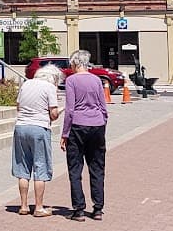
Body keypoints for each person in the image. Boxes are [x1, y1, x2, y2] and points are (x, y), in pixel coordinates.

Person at [61, 49, 107, 221]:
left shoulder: (71, 80)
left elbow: (70, 109)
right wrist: (103, 125)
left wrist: (65, 133)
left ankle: (79, 209)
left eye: (71, 64)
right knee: (97, 167)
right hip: (97, 125)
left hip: (78, 126)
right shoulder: (96, 80)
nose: (70, 67)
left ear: (75, 63)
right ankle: (98, 208)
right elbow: (103, 106)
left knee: (75, 167)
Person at [12, 65, 63, 217]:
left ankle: (23, 205)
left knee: (22, 167)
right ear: (53, 78)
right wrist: (59, 112)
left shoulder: (26, 84)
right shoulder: (49, 88)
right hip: (39, 128)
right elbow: (53, 114)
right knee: (41, 166)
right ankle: (39, 207)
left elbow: (19, 107)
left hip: (21, 127)